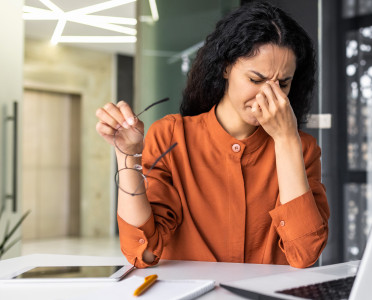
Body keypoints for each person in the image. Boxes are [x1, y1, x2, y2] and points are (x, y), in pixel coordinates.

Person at [94, 1, 329, 269]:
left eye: (283, 84)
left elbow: (305, 254)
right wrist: (127, 155)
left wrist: (286, 141)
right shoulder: (171, 136)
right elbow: (143, 252)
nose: (269, 97)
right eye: (255, 80)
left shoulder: (303, 149)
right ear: (226, 68)